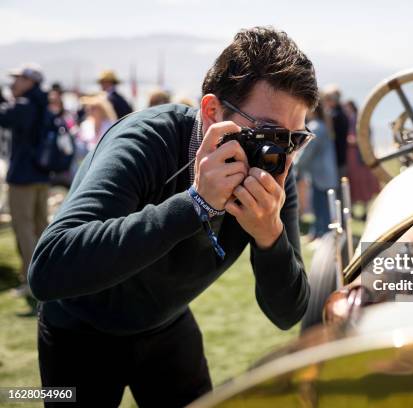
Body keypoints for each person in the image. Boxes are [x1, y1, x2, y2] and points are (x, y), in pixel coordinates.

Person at [28, 27, 315, 407]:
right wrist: (194, 205)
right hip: (79, 327)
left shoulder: (275, 169)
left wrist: (270, 236)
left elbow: (288, 313)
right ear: (212, 112)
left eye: (295, 139)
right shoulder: (147, 140)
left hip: (166, 324)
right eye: (267, 132)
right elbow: (48, 271)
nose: (281, 153)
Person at [0, 64, 50, 298]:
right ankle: (49, 276)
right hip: (42, 175)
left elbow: (4, 117)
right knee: (41, 228)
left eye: (18, 79)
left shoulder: (25, 105)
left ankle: (32, 283)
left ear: (30, 82)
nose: (13, 83)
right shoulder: (44, 104)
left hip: (23, 178)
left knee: (24, 230)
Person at [295, 100, 338, 240]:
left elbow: (306, 152)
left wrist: (294, 165)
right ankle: (318, 234)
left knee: (321, 208)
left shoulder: (316, 127)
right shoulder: (322, 125)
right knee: (321, 206)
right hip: (323, 174)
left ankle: (323, 237)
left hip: (321, 175)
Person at [344, 100, 379, 219]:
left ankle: (361, 211)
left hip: (357, 157)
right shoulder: (359, 120)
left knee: (360, 183)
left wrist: (351, 141)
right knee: (359, 184)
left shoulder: (355, 120)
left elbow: (361, 137)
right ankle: (359, 210)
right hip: (358, 157)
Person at [322, 85, 349, 177]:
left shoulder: (335, 115)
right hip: (340, 156)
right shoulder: (342, 112)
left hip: (336, 157)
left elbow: (330, 135)